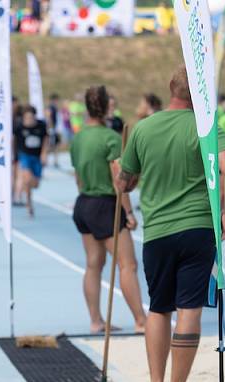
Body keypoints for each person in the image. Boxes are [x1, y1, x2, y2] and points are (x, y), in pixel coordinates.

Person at [117, 66, 225, 382]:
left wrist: (121, 176)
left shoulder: (143, 128)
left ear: (170, 89)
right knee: (189, 307)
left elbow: (126, 182)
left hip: (157, 230)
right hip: (197, 227)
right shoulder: (206, 128)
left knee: (159, 308)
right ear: (201, 93)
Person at [70, 86, 146, 334]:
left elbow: (78, 177)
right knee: (128, 264)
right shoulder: (110, 138)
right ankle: (140, 320)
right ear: (104, 107)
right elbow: (119, 179)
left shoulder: (78, 137)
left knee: (94, 263)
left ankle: (95, 321)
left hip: (84, 203)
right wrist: (130, 213)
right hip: (105, 204)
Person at [14, 105, 47, 217]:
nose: (29, 120)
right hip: (25, 155)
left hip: (37, 157)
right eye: (26, 118)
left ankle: (26, 189)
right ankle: (29, 203)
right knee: (27, 178)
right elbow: (12, 140)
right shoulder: (19, 127)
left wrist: (44, 153)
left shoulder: (41, 125)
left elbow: (46, 140)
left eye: (31, 118)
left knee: (36, 184)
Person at [46, 94, 61, 167]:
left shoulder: (54, 107)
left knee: (56, 145)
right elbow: (48, 117)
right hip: (52, 129)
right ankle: (45, 159)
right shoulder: (50, 107)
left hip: (55, 128)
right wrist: (50, 128)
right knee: (50, 145)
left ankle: (55, 161)